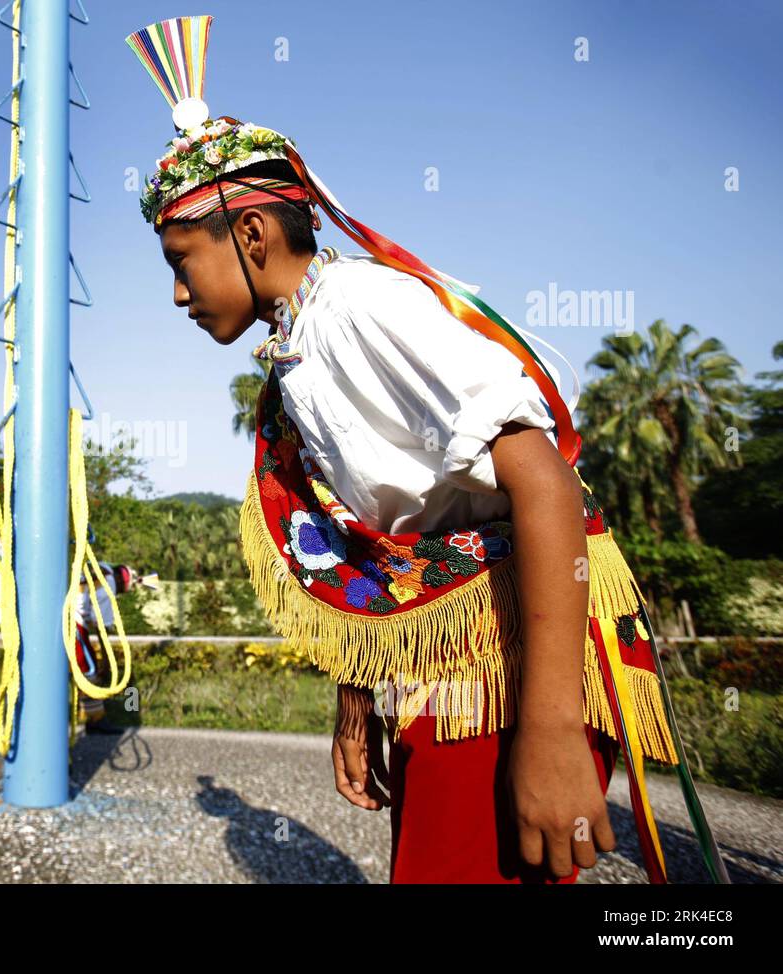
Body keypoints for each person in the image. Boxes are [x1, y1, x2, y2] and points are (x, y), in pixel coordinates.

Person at [124, 15, 701, 883]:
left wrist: (547, 733)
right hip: (449, 657)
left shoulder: (362, 308)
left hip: (510, 654)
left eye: (181, 260)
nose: (177, 294)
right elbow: (383, 543)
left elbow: (544, 484)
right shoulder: (299, 351)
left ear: (250, 237)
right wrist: (362, 691)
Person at [73, 562, 155, 734]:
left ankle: (90, 716)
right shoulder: (108, 581)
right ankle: (95, 719)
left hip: (70, 620)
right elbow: (102, 627)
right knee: (90, 671)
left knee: (83, 670)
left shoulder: (101, 567)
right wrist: (107, 660)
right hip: (73, 625)